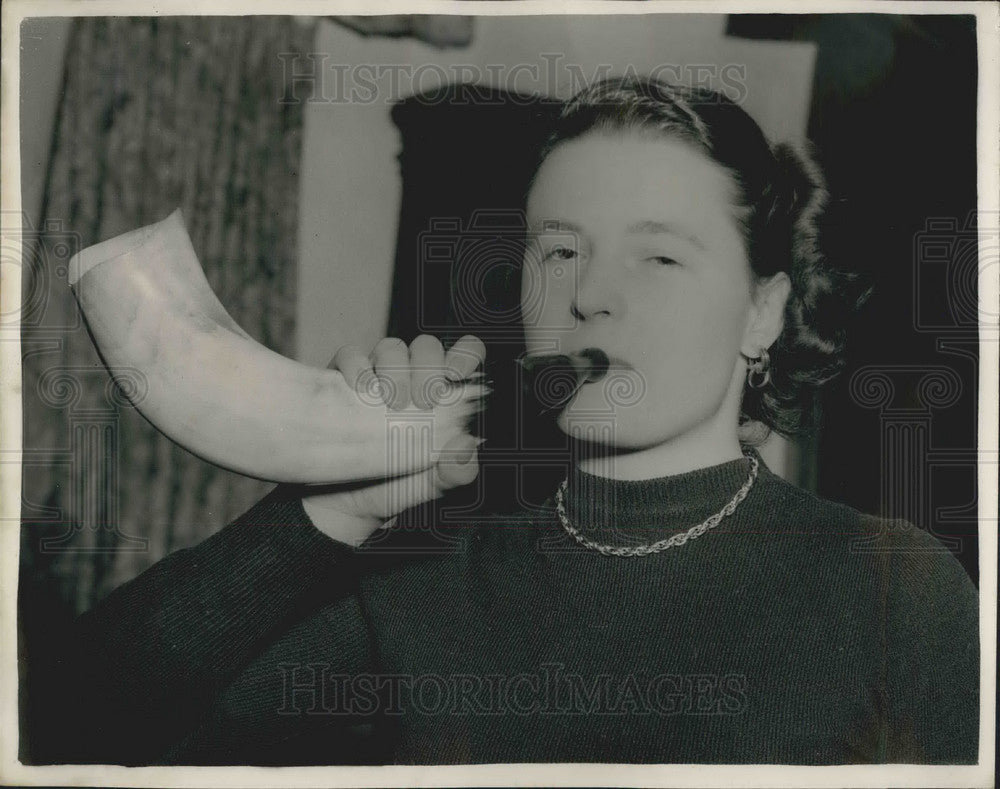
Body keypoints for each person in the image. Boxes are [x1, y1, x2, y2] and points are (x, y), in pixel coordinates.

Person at [28, 76, 979, 767]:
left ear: (763, 311)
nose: (592, 294)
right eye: (559, 249)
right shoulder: (425, 584)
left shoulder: (892, 590)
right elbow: (74, 729)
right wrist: (333, 508)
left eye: (659, 259)